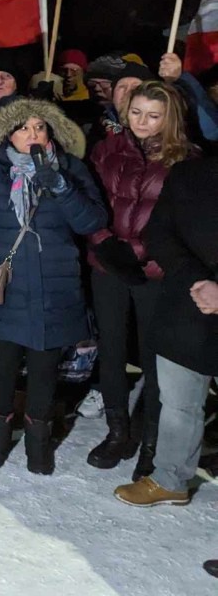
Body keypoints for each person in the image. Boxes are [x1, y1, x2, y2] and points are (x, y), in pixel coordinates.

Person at [0, 98, 106, 474]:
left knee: (44, 368)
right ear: (8, 134)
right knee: (2, 366)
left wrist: (62, 187)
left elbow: (92, 222)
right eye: (23, 127)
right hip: (5, 287)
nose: (32, 135)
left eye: (40, 127)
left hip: (56, 288)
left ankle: (39, 443)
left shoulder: (71, 168)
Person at [86, 80, 198, 478]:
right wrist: (102, 242)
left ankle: (152, 441)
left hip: (157, 273)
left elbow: (183, 222)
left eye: (153, 115)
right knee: (112, 349)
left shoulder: (186, 160)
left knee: (155, 361)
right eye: (136, 113)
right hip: (108, 268)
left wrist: (140, 252)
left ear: (169, 117)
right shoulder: (106, 149)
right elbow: (90, 202)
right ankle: (118, 431)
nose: (142, 122)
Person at [114, 158, 216, 513]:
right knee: (178, 403)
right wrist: (199, 282)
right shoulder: (192, 171)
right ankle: (170, 480)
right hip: (189, 301)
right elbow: (160, 232)